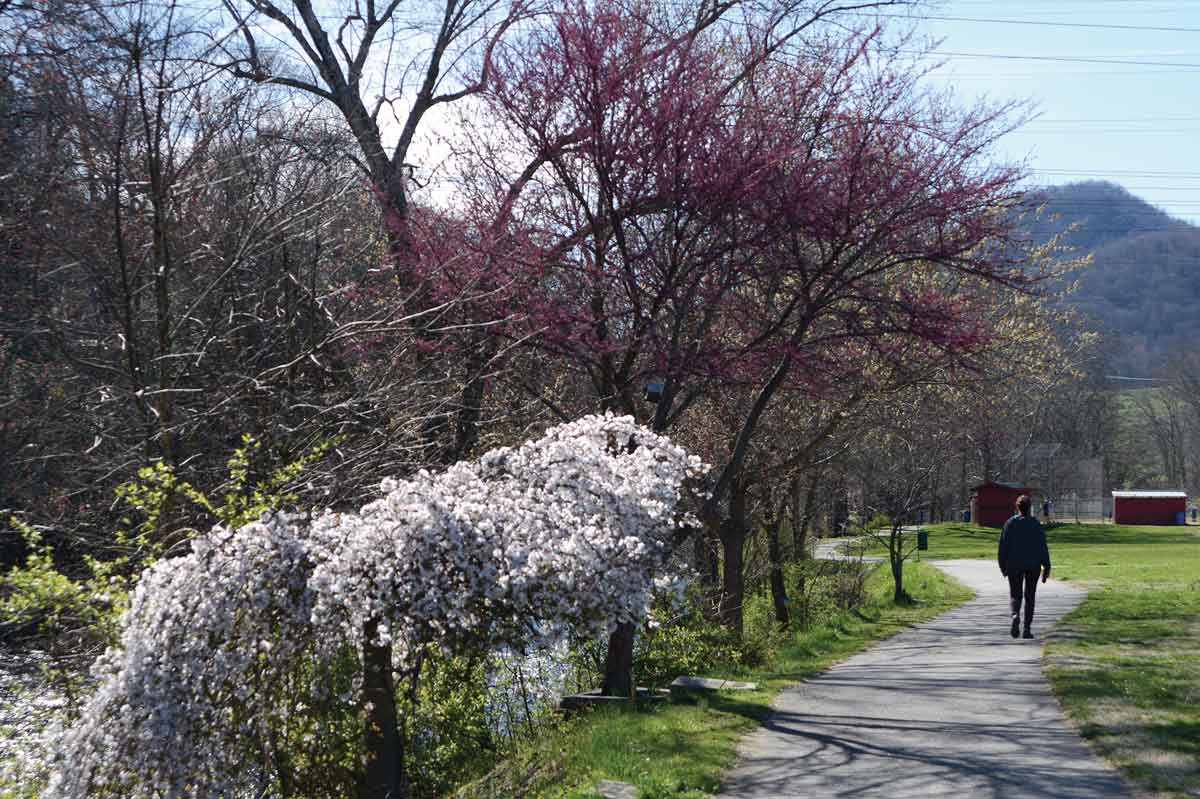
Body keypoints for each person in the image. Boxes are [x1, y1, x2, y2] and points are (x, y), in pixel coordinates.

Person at [998, 494, 1051, 639]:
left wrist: (1003, 566)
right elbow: (1043, 547)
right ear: (1029, 508)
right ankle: (1027, 629)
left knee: (1015, 594)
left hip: (1014, 564)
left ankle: (1015, 615)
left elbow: (1003, 547)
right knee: (1030, 596)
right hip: (1033, 565)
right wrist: (1046, 567)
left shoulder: (1009, 524)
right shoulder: (1036, 524)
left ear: (1017, 507)